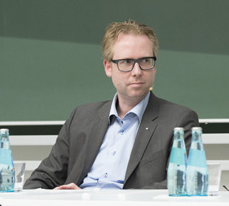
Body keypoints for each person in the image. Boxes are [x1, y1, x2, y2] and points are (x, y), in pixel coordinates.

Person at [24, 20, 199, 190]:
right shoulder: (81, 117)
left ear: (154, 67)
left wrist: (93, 200)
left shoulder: (179, 120)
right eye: (127, 62)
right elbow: (43, 178)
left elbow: (183, 182)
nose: (137, 72)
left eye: (145, 61)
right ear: (108, 67)